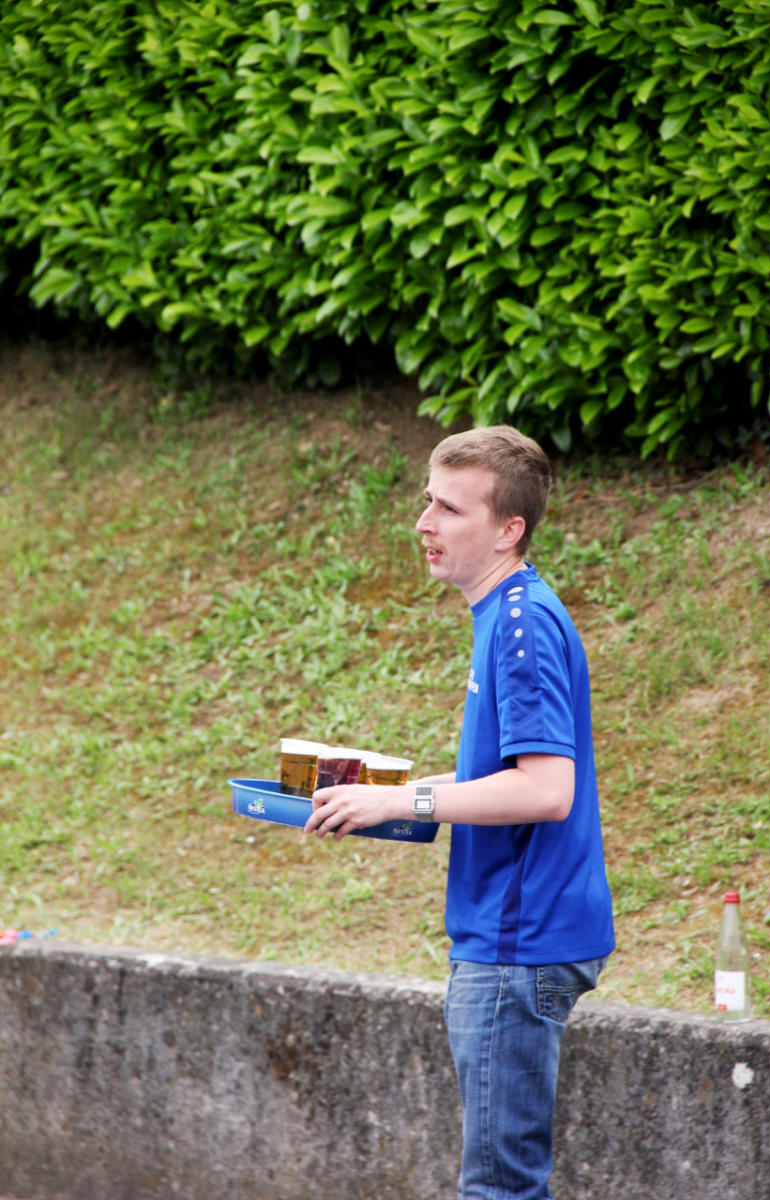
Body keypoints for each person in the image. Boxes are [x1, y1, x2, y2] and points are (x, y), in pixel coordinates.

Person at [304, 424, 615, 1200]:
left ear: (508, 530)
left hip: (516, 944)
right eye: (426, 502)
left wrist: (402, 798)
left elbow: (546, 790)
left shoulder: (519, 625)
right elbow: (501, 778)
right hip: (517, 938)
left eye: (449, 509)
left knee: (500, 1189)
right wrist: (381, 798)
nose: (424, 523)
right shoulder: (509, 612)